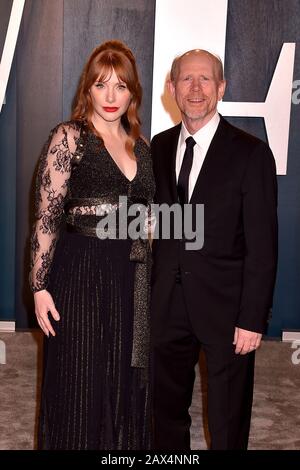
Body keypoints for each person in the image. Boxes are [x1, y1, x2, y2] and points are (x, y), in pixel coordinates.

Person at [29, 40, 155, 450]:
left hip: (130, 276)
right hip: (81, 272)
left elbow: (148, 215)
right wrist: (39, 286)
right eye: (102, 86)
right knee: (80, 381)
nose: (111, 96)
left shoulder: (144, 147)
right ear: (88, 90)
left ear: (133, 92)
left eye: (121, 86)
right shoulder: (70, 138)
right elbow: (47, 215)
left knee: (123, 380)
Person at [150, 49, 278, 450]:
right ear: (171, 88)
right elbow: (156, 223)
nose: (195, 88)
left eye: (205, 79)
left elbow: (263, 246)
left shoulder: (250, 153)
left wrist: (252, 319)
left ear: (221, 88)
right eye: (186, 79)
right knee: (164, 416)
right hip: (166, 307)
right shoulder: (158, 145)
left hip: (227, 313)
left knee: (227, 421)